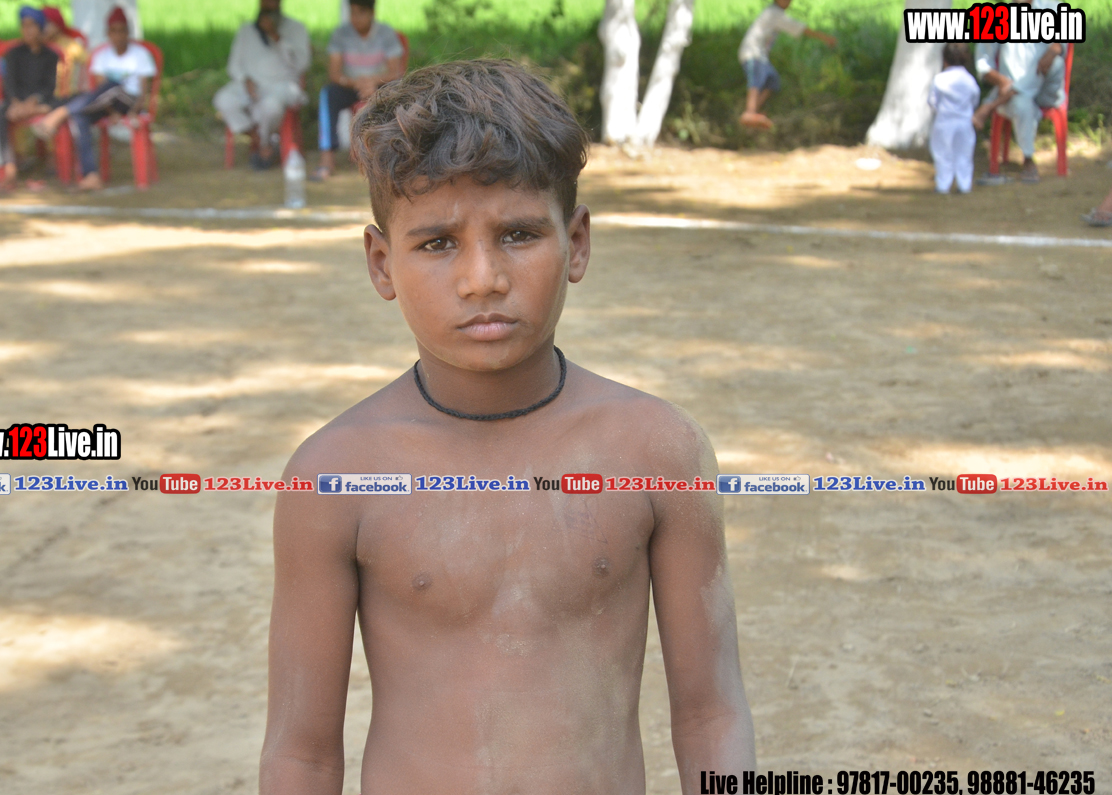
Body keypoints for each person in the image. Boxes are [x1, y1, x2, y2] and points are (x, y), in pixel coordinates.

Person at [260, 60, 756, 794]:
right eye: (437, 243)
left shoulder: (656, 451)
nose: (482, 279)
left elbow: (711, 713)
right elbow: (302, 754)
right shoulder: (335, 475)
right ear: (381, 262)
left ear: (577, 242)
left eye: (519, 234)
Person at [30, 7, 155, 190]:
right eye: (114, 31)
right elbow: (100, 92)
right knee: (80, 117)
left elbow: (144, 90)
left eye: (122, 30)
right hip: (108, 103)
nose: (118, 35)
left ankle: (60, 113)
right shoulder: (102, 56)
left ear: (128, 32)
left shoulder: (140, 54)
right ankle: (91, 175)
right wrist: (111, 113)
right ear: (108, 33)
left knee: (113, 85)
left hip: (130, 101)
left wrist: (134, 111)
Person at [972, 0, 1066, 184]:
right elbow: (983, 65)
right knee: (1022, 102)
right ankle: (1028, 159)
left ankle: (990, 105)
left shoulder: (1052, 6)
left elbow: (1060, 44)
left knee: (1055, 64)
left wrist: (1053, 50)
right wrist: (1001, 81)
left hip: (1046, 91)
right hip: (1011, 93)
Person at [312, 0, 404, 180]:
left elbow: (395, 72)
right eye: (352, 13)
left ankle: (393, 156)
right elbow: (334, 73)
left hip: (381, 85)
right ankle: (327, 158)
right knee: (328, 94)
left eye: (361, 13)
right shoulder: (341, 34)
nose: (356, 18)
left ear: (372, 13)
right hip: (351, 85)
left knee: (397, 92)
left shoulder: (386, 33)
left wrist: (373, 82)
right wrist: (357, 83)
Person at [214, 0, 309, 170]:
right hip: (251, 85)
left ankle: (264, 144)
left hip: (283, 86)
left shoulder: (296, 28)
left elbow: (302, 64)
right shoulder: (246, 30)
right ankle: (259, 140)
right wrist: (245, 79)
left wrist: (276, 36)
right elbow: (233, 66)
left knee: (270, 106)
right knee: (223, 99)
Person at [0, 6, 60, 187]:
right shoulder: (13, 53)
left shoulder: (51, 55)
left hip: (40, 101)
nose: (28, 30)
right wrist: (16, 103)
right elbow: (9, 83)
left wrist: (32, 103)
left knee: (60, 107)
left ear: (40, 28)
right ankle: (7, 166)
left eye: (32, 25)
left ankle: (55, 159)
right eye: (24, 26)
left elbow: (49, 86)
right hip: (15, 102)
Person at [737, 0, 835, 131]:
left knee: (773, 81)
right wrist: (825, 38)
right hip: (752, 52)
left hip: (761, 55)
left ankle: (753, 112)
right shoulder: (774, 13)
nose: (789, 2)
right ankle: (749, 112)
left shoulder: (775, 13)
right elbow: (800, 28)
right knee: (757, 79)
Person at [928, 43, 980, 195]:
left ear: (944, 60)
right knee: (964, 154)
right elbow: (975, 99)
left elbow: (932, 101)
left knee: (942, 153)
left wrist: (939, 110)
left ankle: (943, 185)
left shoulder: (939, 79)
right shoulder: (969, 80)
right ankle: (964, 184)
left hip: (944, 121)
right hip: (964, 122)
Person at [43, 6, 89, 98]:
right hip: (42, 95)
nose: (44, 27)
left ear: (57, 24)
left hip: (67, 96)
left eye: (47, 23)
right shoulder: (39, 45)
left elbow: (88, 62)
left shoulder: (70, 45)